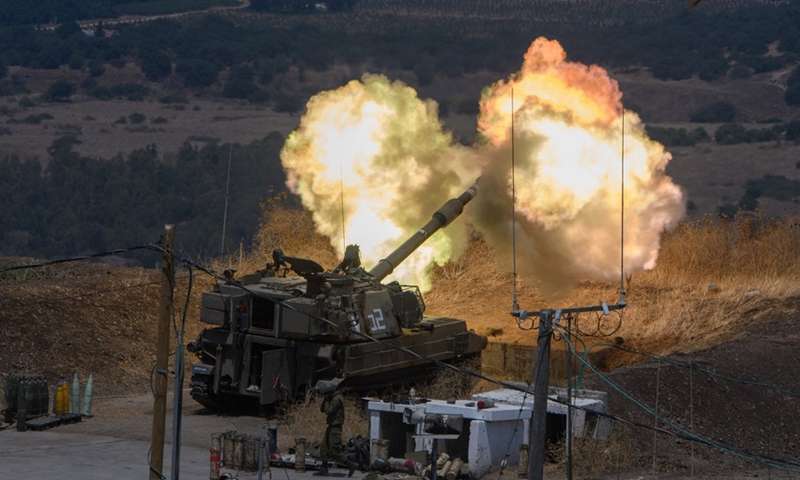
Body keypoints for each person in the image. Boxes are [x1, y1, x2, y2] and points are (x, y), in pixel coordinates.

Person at [314, 380, 358, 477]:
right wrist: (325, 399)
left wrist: (326, 401)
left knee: (334, 450)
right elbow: (322, 410)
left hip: (336, 428)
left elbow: (329, 411)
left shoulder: (337, 399)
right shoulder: (331, 398)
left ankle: (351, 464)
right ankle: (324, 469)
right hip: (331, 426)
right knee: (324, 447)